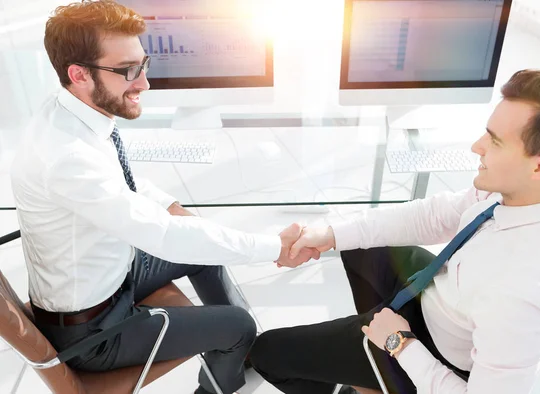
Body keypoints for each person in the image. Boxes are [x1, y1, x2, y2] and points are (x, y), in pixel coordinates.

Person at [9, 2, 316, 394]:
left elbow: (121, 187)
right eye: (128, 71)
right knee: (240, 326)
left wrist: (173, 208)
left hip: (110, 279)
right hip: (94, 332)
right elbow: (160, 236)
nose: (144, 84)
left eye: (144, 64)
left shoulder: (69, 115)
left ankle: (235, 356)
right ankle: (224, 377)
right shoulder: (66, 157)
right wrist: (275, 247)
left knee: (201, 249)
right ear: (79, 74)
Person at [249, 69, 540, 394]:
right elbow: (435, 215)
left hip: (433, 349)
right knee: (361, 243)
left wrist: (401, 345)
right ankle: (369, 368)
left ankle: (373, 374)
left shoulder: (523, 291)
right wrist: (329, 234)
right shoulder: (537, 193)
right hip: (438, 295)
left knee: (266, 353)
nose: (476, 146)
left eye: (494, 141)